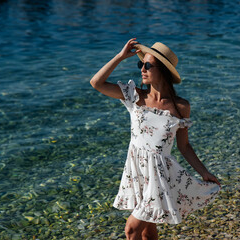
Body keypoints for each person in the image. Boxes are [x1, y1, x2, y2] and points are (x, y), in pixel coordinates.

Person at [90, 38, 221, 240]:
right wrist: (119, 56)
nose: (142, 68)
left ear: (164, 70)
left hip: (160, 176)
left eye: (148, 65)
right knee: (147, 231)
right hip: (138, 172)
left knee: (132, 229)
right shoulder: (134, 96)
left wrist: (204, 173)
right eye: (140, 64)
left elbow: (184, 146)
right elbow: (96, 83)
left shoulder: (180, 107)